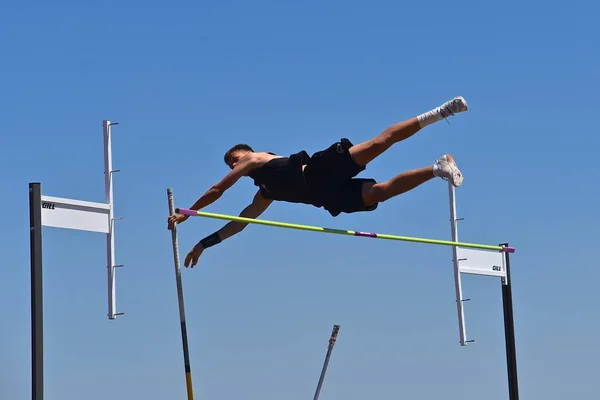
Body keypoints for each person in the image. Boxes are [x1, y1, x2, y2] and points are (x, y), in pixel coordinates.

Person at [168, 96, 468, 267]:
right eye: (232, 163)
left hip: (317, 171)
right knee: (380, 193)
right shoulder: (266, 191)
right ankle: (437, 168)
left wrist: (188, 212)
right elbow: (240, 221)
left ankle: (441, 112)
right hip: (325, 196)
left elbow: (218, 189)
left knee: (379, 144)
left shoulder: (254, 159)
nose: (235, 165)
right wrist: (204, 243)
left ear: (249, 154)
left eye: (235, 159)